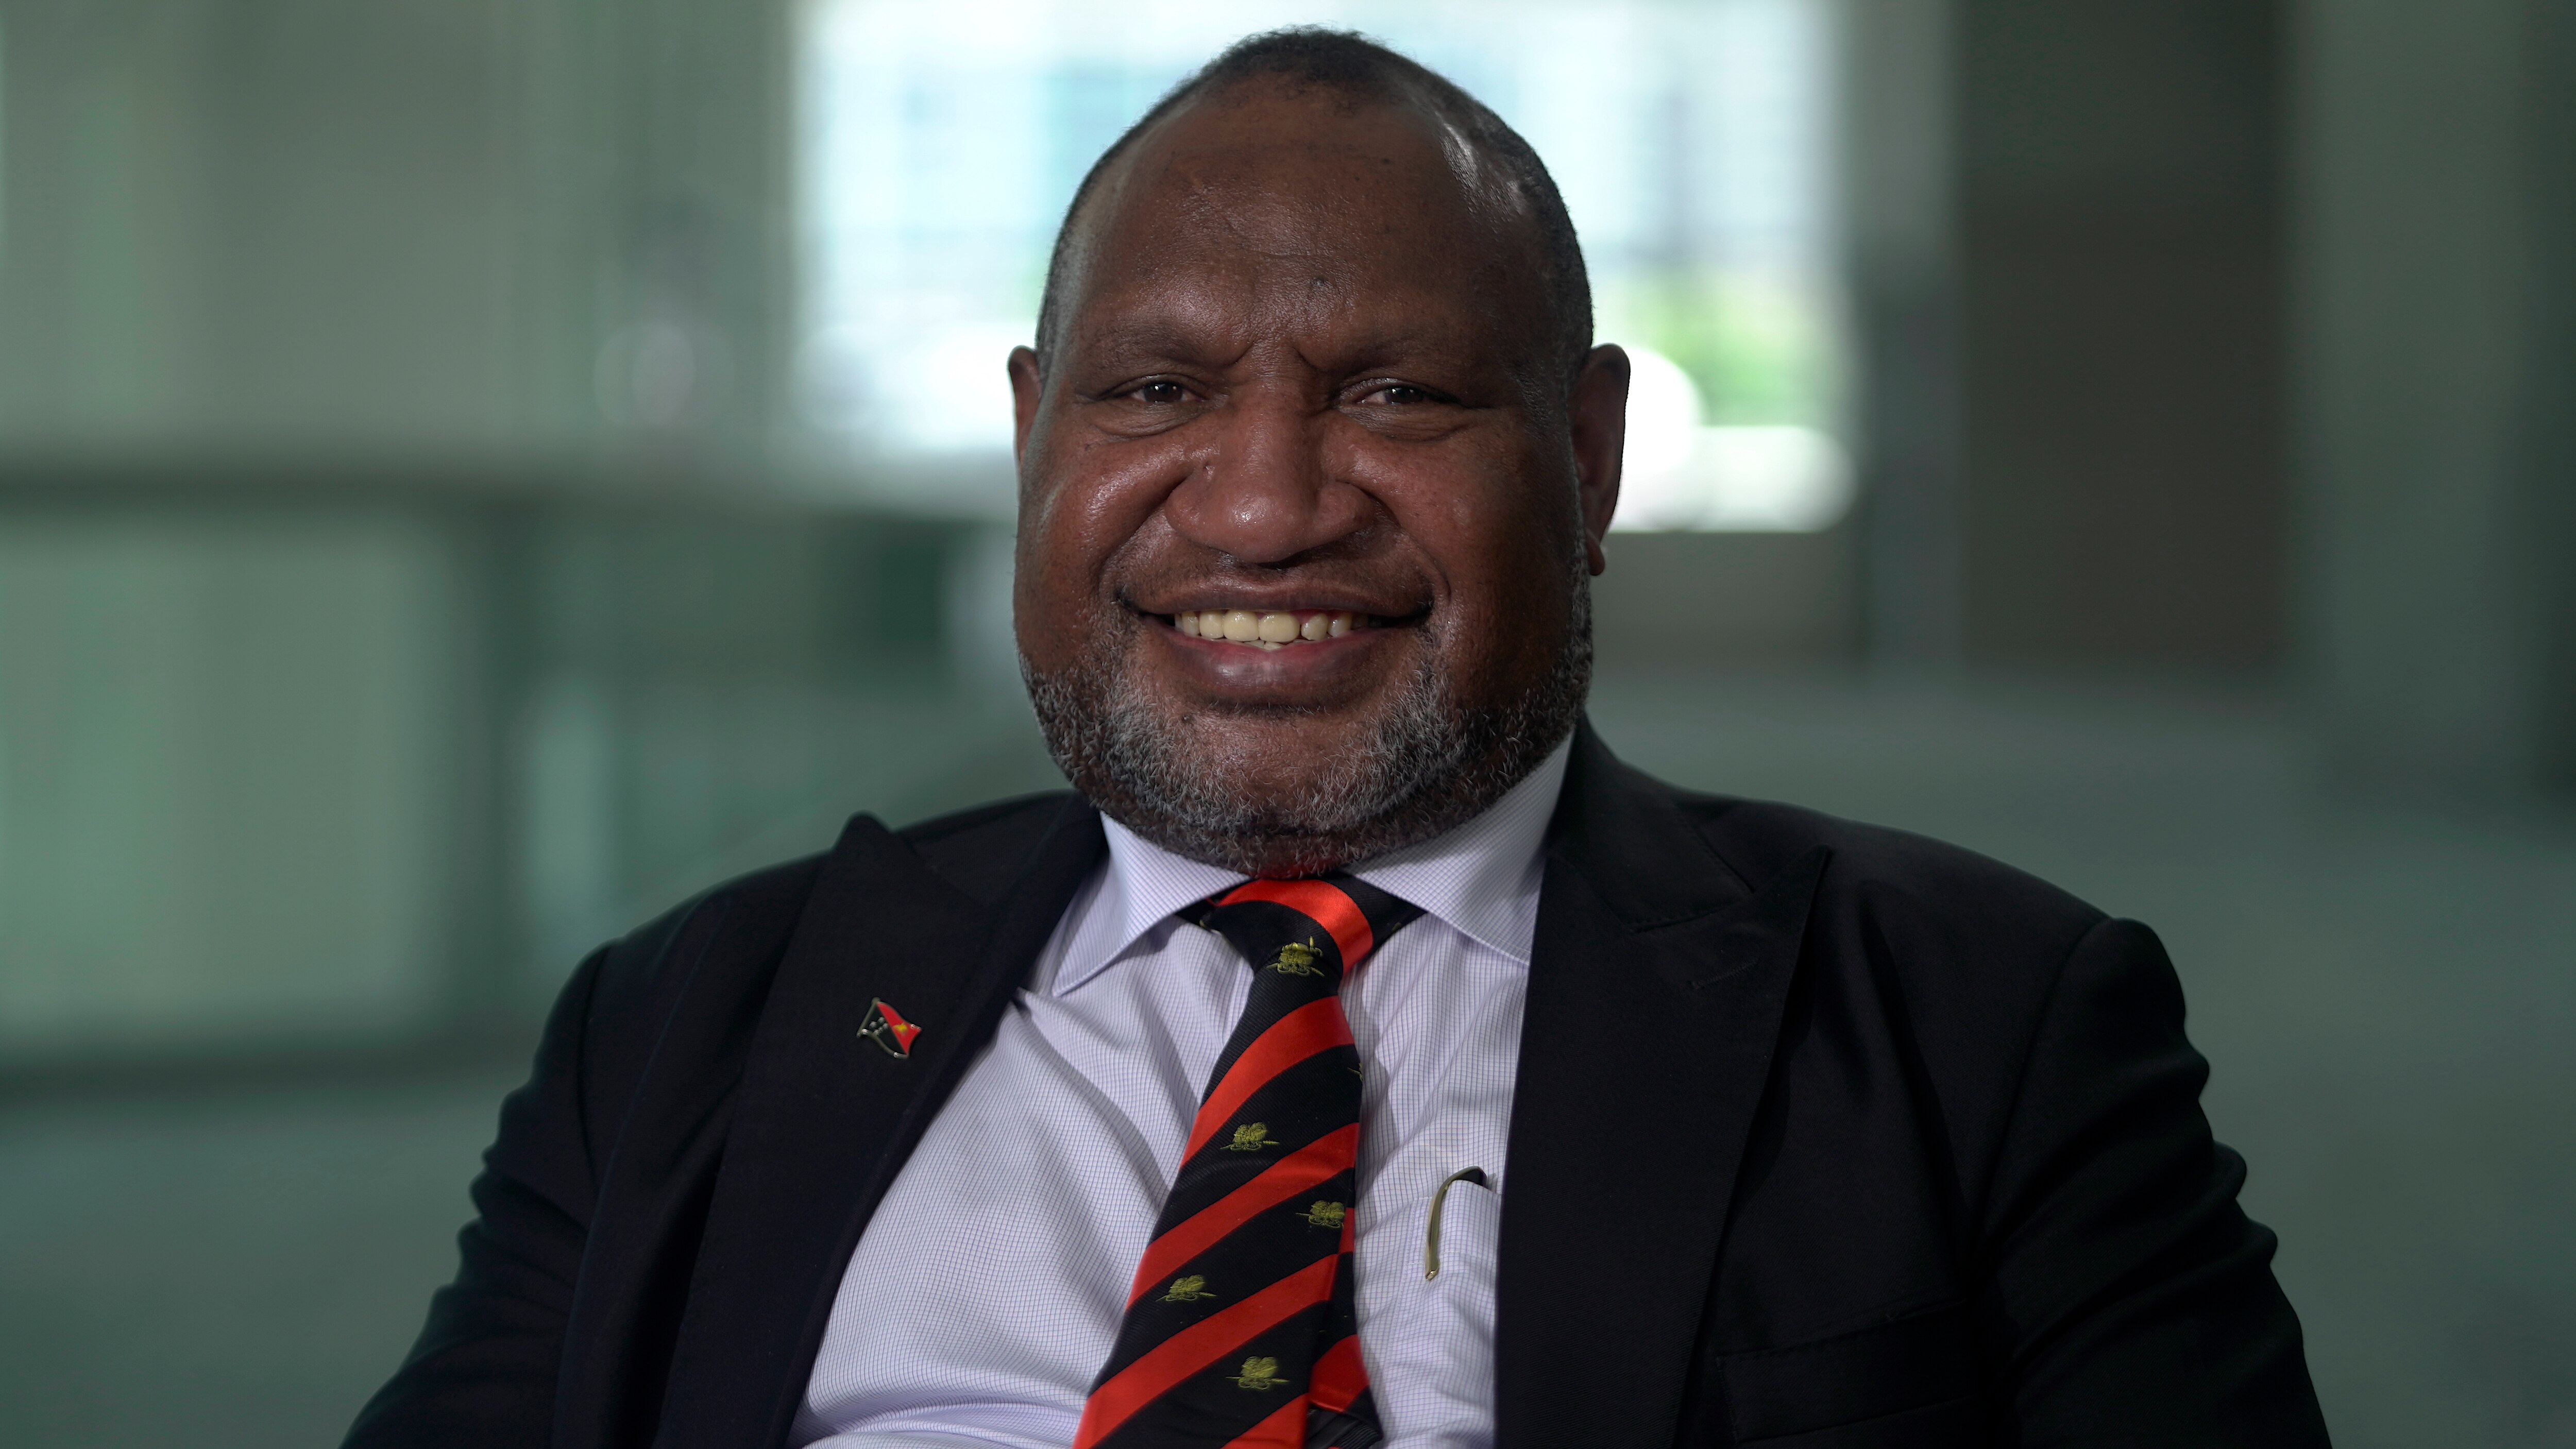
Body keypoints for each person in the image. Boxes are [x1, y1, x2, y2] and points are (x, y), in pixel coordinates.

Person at [345, 28, 2329, 1449]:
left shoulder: (1985, 1024)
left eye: (1394, 391)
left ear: (1589, 456)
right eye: (1153, 390)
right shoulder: (689, 1019)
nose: (1266, 502)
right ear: (1038, 438)